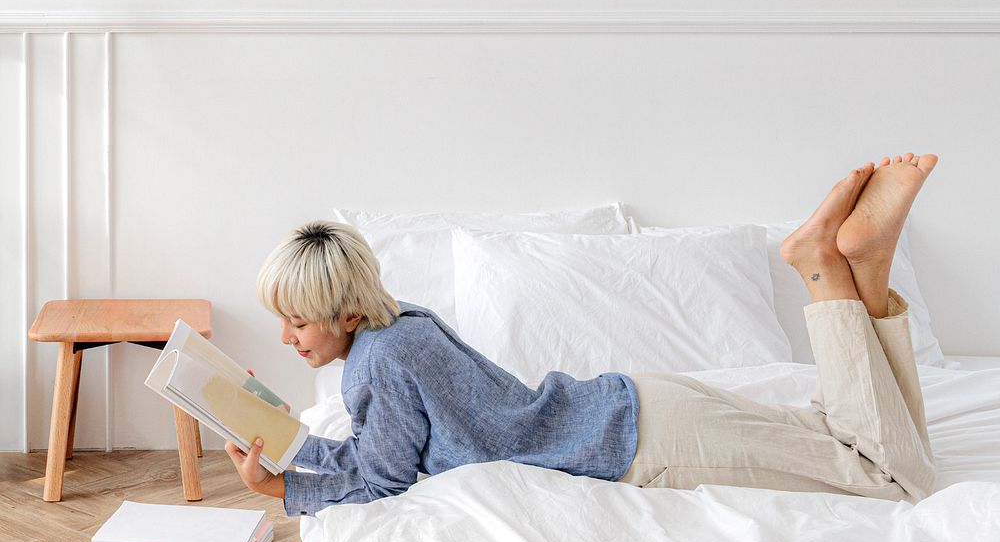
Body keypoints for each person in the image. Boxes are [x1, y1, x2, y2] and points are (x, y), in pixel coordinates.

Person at [226, 153, 938, 515]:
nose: (287, 338)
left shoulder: (376, 365)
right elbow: (381, 448)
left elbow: (380, 481)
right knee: (845, 430)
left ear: (345, 311)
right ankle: (867, 275)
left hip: (642, 443)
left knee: (890, 475)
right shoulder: (401, 324)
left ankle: (824, 269)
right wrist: (294, 442)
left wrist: (281, 488)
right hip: (635, 407)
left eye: (296, 320)